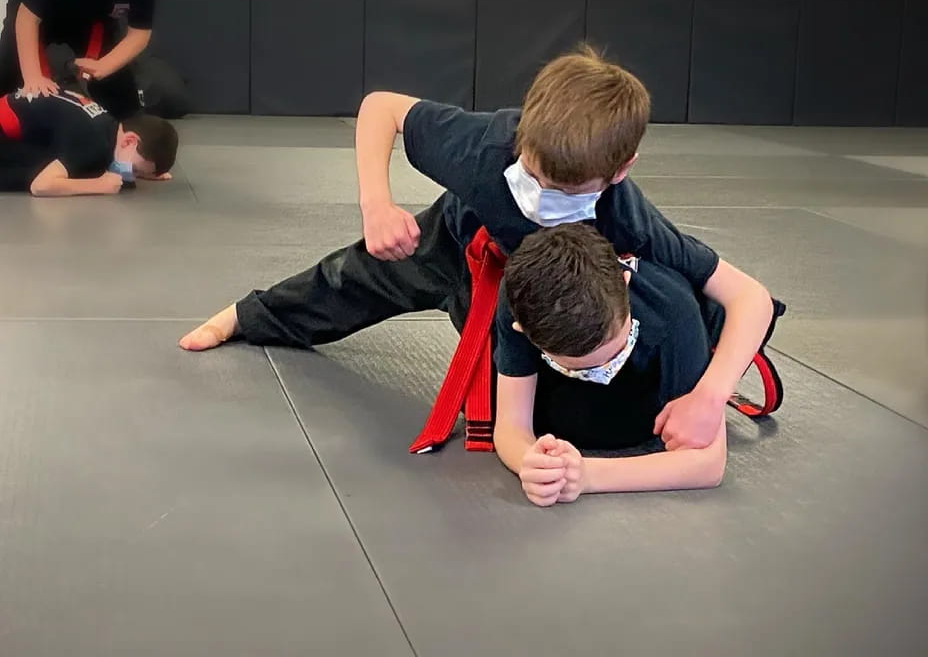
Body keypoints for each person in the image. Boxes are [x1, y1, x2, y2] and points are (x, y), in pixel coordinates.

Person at [179, 46, 783, 453]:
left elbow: (748, 297)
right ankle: (245, 316)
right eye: (535, 173)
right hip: (460, 243)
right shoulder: (480, 148)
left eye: (564, 190)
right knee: (353, 279)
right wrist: (377, 204)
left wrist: (706, 395)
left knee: (681, 312)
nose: (542, 193)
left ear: (620, 170)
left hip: (542, 295)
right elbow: (381, 108)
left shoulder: (628, 219)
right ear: (523, 135)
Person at [497, 223, 736, 507]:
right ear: (522, 330)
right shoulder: (524, 303)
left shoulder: (674, 310)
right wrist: (533, 465)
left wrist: (588, 476)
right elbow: (511, 426)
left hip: (649, 402)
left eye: (613, 350)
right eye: (580, 367)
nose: (603, 368)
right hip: (562, 412)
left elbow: (709, 463)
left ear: (625, 281)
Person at [0, 0, 155, 119]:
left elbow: (139, 34)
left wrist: (104, 65)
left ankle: (126, 134)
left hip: (90, 14)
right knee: (8, 70)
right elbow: (27, 19)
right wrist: (33, 78)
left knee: (118, 86)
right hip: (36, 9)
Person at [0, 85, 177, 195]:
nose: (132, 176)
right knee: (59, 172)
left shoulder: (108, 126)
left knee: (85, 164)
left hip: (12, 125)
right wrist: (98, 185)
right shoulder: (93, 142)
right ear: (130, 141)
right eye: (135, 170)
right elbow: (41, 186)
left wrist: (147, 170)